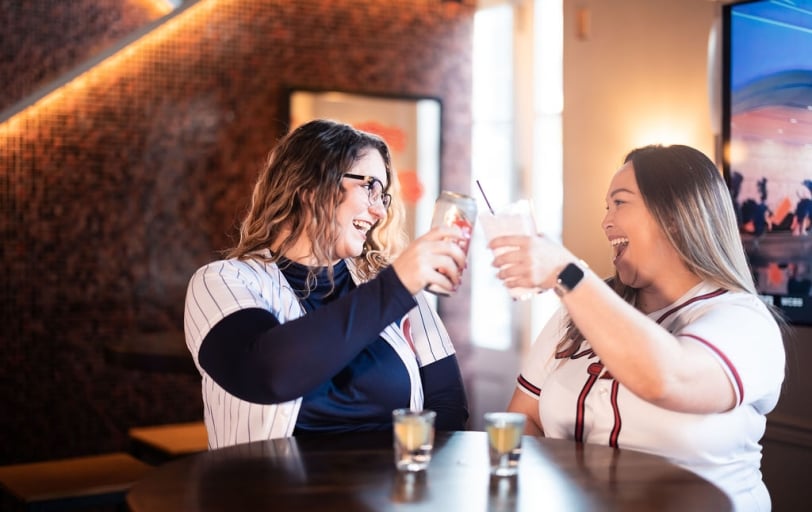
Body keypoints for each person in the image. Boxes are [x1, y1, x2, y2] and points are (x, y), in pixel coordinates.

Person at [492, 144, 785, 511]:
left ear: (675, 215)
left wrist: (565, 272)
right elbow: (526, 416)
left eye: (620, 203)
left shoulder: (744, 320)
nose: (605, 221)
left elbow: (667, 379)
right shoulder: (579, 310)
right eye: (606, 207)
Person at [184, 119, 469, 449]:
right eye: (369, 187)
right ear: (311, 188)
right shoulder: (221, 281)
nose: (379, 211)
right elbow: (265, 375)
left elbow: (448, 407)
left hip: (388, 498)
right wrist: (398, 284)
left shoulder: (393, 287)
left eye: (383, 195)